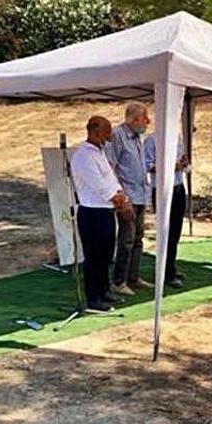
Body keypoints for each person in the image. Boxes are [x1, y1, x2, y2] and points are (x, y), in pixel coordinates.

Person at [71, 116, 135, 311]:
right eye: (107, 131)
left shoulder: (99, 153)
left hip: (106, 212)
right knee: (94, 257)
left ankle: (105, 291)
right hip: (92, 213)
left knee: (107, 255)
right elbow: (99, 186)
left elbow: (111, 180)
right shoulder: (83, 155)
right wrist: (120, 202)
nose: (110, 135)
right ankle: (94, 298)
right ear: (95, 131)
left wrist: (122, 198)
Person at [105, 103, 152, 295]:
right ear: (133, 120)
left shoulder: (137, 138)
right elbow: (110, 167)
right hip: (127, 197)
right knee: (126, 240)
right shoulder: (118, 135)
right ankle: (118, 281)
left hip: (140, 195)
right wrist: (122, 197)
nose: (148, 122)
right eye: (144, 118)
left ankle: (133, 277)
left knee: (138, 238)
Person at [142, 124, 192, 289]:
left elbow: (182, 157)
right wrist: (171, 167)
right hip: (162, 190)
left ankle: (171, 266)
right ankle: (166, 272)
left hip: (178, 187)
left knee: (176, 232)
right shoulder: (151, 140)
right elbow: (148, 165)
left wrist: (183, 162)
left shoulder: (177, 138)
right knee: (166, 232)